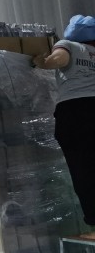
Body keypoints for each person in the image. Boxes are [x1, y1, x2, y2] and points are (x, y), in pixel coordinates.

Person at [34, 14, 95, 231]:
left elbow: (59, 59)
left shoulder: (69, 45)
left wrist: (42, 62)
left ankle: (93, 217)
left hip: (76, 111)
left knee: (82, 168)